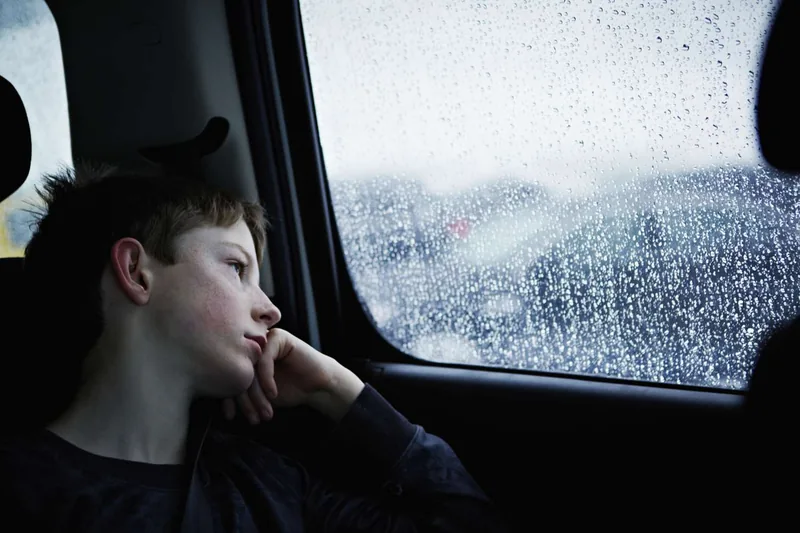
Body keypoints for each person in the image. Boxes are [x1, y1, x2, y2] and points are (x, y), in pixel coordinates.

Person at [0, 163, 507, 532]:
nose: (272, 311)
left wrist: (338, 390)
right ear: (136, 272)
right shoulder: (22, 491)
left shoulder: (264, 484)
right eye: (237, 268)